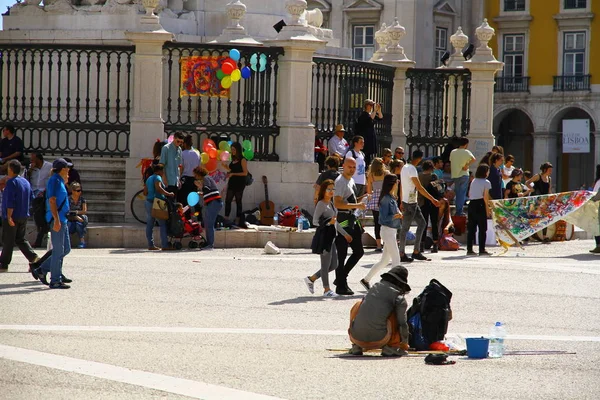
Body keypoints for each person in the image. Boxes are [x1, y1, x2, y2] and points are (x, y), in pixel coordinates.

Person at [348, 266, 411, 357]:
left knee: (359, 305)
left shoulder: (373, 289)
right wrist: (404, 344)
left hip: (356, 337)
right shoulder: (398, 298)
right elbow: (402, 324)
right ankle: (391, 347)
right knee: (394, 315)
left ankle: (357, 346)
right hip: (380, 339)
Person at [31, 159, 74, 289]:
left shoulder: (59, 180)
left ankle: (42, 270)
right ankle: (55, 280)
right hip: (58, 220)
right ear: (62, 169)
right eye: (67, 168)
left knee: (65, 249)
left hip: (62, 219)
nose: (69, 170)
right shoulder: (54, 180)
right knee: (58, 250)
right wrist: (56, 219)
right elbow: (52, 200)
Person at [304, 179, 351, 298]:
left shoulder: (331, 204)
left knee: (333, 265)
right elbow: (315, 221)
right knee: (325, 266)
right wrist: (328, 222)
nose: (331, 191)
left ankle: (312, 279)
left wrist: (345, 234)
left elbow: (335, 223)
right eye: (328, 189)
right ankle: (326, 289)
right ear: (323, 191)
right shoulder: (321, 204)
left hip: (332, 238)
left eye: (333, 189)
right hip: (325, 238)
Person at [360, 174, 403, 290]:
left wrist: (398, 215)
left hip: (391, 231)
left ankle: (366, 280)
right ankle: (394, 285)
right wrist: (396, 216)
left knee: (384, 261)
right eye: (397, 182)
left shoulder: (390, 197)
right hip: (388, 230)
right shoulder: (386, 199)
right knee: (396, 259)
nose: (398, 184)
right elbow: (383, 219)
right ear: (393, 184)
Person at [398, 150, 440, 262]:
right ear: (420, 158)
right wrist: (433, 199)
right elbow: (420, 188)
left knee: (422, 223)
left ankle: (416, 251)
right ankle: (401, 253)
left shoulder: (405, 167)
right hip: (410, 202)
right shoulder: (412, 169)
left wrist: (402, 200)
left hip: (411, 201)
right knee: (405, 228)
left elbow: (402, 185)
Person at [334, 157, 367, 296]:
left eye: (354, 167)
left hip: (352, 218)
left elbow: (350, 200)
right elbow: (338, 204)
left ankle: (341, 278)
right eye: (349, 167)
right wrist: (357, 205)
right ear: (343, 166)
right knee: (341, 254)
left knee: (358, 251)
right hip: (342, 219)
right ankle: (341, 285)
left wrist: (363, 198)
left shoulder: (351, 180)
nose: (352, 170)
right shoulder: (340, 181)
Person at [0, 161, 39, 272]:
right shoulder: (25, 182)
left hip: (13, 215)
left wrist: (9, 216)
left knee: (8, 240)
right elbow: (31, 197)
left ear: (11, 169)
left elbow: (10, 201)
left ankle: (3, 263)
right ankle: (33, 258)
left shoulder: (11, 182)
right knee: (20, 239)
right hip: (23, 214)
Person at [144, 163, 175, 251]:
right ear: (159, 171)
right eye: (162, 171)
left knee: (150, 224)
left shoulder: (149, 178)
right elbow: (158, 188)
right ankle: (165, 245)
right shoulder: (158, 178)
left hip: (148, 202)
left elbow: (145, 192)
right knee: (162, 224)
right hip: (158, 202)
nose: (163, 172)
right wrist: (168, 194)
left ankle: (151, 245)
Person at [193, 166, 223, 250]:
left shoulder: (206, 179)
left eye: (195, 175)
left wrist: (200, 186)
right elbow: (209, 192)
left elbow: (207, 188)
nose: (195, 177)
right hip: (214, 203)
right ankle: (209, 243)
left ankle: (210, 244)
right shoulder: (208, 178)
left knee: (209, 224)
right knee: (207, 223)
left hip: (214, 203)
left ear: (199, 174)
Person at [467, 164, 492, 257]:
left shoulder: (473, 181)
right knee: (482, 228)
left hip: (472, 203)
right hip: (480, 204)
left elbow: (470, 194)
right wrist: (488, 210)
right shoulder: (486, 182)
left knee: (471, 228)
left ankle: (469, 249)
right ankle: (482, 249)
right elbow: (486, 197)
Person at [28, 152, 53, 248]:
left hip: (44, 192)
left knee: (41, 215)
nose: (31, 161)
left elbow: (51, 180)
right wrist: (30, 170)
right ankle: (40, 233)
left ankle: (41, 235)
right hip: (34, 191)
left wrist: (45, 191)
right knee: (37, 215)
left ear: (39, 159)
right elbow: (25, 178)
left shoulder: (49, 166)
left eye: (33, 160)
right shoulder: (31, 168)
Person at [222, 141, 248, 226]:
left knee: (238, 200)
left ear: (238, 150)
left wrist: (233, 174)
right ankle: (226, 218)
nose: (232, 151)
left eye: (234, 149)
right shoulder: (233, 160)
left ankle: (237, 218)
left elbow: (245, 173)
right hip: (232, 182)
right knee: (228, 200)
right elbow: (232, 170)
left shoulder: (242, 160)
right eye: (231, 149)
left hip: (240, 183)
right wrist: (227, 169)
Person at [526, 162, 553, 242]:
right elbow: (527, 182)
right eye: (549, 170)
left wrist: (551, 197)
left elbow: (549, 190)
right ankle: (527, 235)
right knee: (532, 217)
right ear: (545, 170)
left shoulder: (549, 178)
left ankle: (544, 236)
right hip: (536, 200)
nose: (550, 171)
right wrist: (532, 189)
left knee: (544, 218)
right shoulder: (538, 176)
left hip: (544, 201)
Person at [450, 137, 476, 216]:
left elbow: (451, 160)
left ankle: (458, 210)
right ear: (466, 144)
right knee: (462, 193)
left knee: (458, 193)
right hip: (464, 174)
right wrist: (466, 165)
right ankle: (459, 211)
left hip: (455, 174)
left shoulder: (453, 152)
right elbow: (473, 159)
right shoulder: (466, 152)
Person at [418, 160, 440, 253]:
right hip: (433, 201)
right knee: (434, 222)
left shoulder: (419, 176)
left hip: (422, 201)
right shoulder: (433, 176)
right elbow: (438, 188)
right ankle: (435, 245)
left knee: (423, 223)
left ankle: (421, 245)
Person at [366, 158, 387, 252]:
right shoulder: (386, 173)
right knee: (386, 223)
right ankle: (386, 244)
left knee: (377, 223)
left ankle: (379, 246)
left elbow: (369, 191)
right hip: (385, 199)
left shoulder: (371, 175)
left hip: (375, 200)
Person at [355, 99, 383, 166]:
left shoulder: (371, 114)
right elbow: (369, 119)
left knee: (369, 155)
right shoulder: (363, 115)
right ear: (367, 106)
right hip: (365, 138)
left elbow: (380, 118)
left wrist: (379, 111)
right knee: (366, 155)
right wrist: (375, 111)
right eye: (371, 105)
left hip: (370, 137)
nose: (372, 106)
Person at [178, 134, 200, 206]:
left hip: (185, 179)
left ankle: (187, 216)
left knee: (184, 200)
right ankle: (199, 216)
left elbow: (181, 167)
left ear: (184, 144)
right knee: (194, 199)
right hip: (194, 179)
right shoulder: (197, 153)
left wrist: (178, 178)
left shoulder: (183, 154)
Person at [67, 182, 88, 248]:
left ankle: (82, 241)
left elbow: (84, 211)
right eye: (78, 191)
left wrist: (76, 212)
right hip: (70, 217)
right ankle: (68, 241)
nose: (80, 192)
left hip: (80, 218)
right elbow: (67, 211)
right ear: (73, 191)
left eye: (80, 190)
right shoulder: (68, 199)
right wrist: (76, 216)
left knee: (79, 224)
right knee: (69, 224)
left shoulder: (82, 199)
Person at [589, 165, 600, 254]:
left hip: (597, 207)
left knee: (596, 225)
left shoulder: (598, 182)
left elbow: (596, 195)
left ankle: (599, 245)